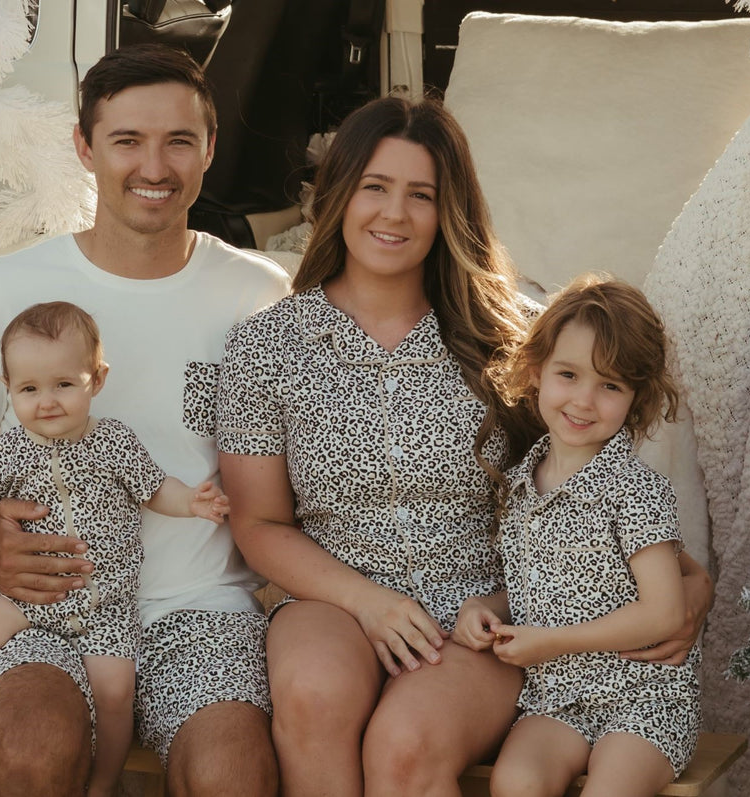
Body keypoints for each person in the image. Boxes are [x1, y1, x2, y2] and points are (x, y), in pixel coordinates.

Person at [215, 96, 712, 797]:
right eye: (375, 188)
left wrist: (689, 582)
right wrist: (370, 602)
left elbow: (602, 480)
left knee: (406, 746)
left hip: (487, 612)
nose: (395, 214)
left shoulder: (518, 340)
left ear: (450, 210)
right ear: (337, 194)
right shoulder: (265, 347)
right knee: (313, 697)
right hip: (333, 597)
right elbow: (259, 523)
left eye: (422, 195)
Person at [0, 44, 290, 797]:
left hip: (204, 608)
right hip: (49, 605)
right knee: (33, 748)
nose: (155, 166)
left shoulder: (258, 293)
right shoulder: (8, 288)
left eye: (179, 140)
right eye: (127, 140)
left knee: (230, 773)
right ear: (84, 147)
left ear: (209, 149)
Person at [0, 301, 230, 797]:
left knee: (115, 691)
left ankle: (103, 784)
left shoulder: (115, 443)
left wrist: (193, 501)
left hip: (104, 601)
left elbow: (155, 489)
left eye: (64, 384)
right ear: (9, 390)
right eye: (29, 389)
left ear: (96, 380)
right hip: (29, 592)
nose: (47, 402)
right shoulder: (16, 445)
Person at [454, 275, 699, 796]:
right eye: (569, 375)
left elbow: (663, 612)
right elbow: (539, 588)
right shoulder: (521, 482)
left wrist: (551, 643)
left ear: (635, 398)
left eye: (610, 385)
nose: (584, 401)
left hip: (643, 697)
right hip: (556, 698)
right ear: (536, 371)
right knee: (514, 782)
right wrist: (488, 610)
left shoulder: (635, 491)